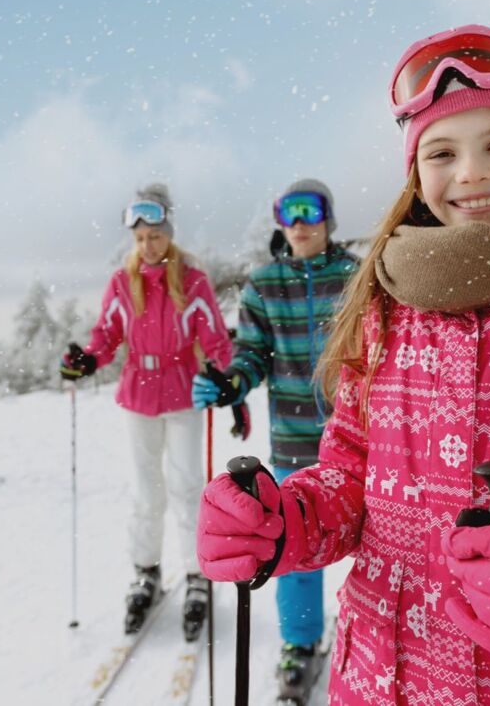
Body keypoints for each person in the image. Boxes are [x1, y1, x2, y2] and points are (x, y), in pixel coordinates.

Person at [196, 26, 490, 704]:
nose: (471, 172)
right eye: (441, 151)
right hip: (385, 679)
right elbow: (351, 477)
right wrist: (284, 522)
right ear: (415, 171)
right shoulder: (380, 310)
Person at [191, 179, 359, 702]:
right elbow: (253, 356)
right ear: (280, 222)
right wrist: (230, 383)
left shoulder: (356, 277)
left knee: (380, 546)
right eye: (290, 212)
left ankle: (380, 634)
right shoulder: (263, 284)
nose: (302, 221)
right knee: (292, 548)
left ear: (329, 217)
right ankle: (301, 643)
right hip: (292, 442)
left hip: (360, 444)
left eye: (312, 210)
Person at [60, 183, 235, 639]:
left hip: (182, 394)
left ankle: (197, 575)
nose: (147, 244)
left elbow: (215, 337)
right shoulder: (123, 282)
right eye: (140, 238)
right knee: (145, 491)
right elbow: (106, 336)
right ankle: (146, 571)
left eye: (154, 235)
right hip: (139, 393)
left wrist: (226, 378)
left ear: (168, 233)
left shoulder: (191, 281)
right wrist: (87, 360)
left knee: (185, 485)